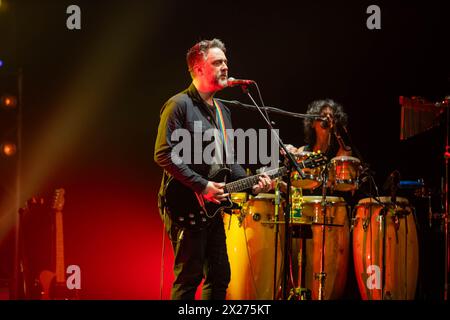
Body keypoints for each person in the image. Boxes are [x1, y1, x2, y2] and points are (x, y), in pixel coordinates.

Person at [154, 38, 272, 300]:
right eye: (217, 62)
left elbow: (228, 163)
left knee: (220, 277)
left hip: (211, 207)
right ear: (198, 69)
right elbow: (163, 154)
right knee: (189, 277)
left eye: (226, 62)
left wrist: (255, 182)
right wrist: (203, 186)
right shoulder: (179, 105)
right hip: (184, 202)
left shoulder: (223, 111)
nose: (225, 67)